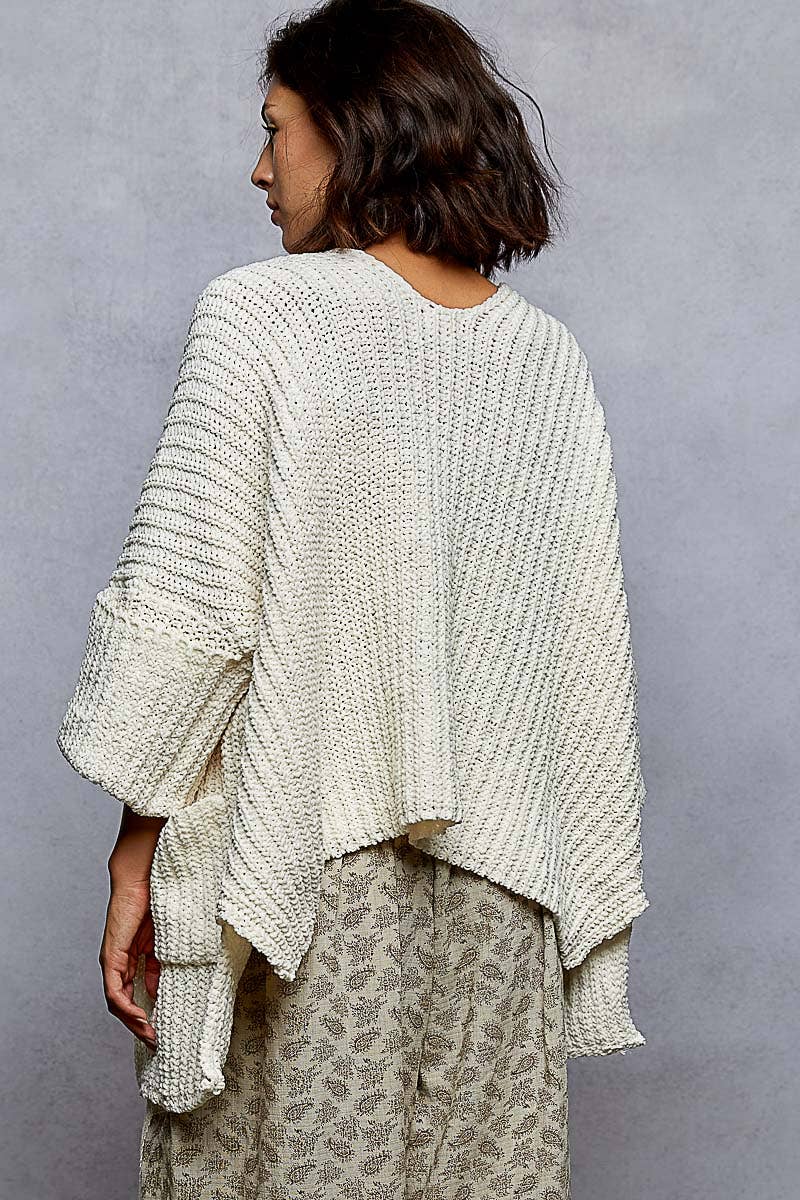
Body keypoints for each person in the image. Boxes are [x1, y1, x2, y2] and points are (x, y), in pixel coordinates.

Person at [56, 1, 651, 1196]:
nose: (260, 167)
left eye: (275, 128)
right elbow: (581, 658)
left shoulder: (263, 316)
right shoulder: (543, 357)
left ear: (355, 128)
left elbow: (190, 616)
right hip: (505, 901)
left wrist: (135, 860)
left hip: (299, 876)